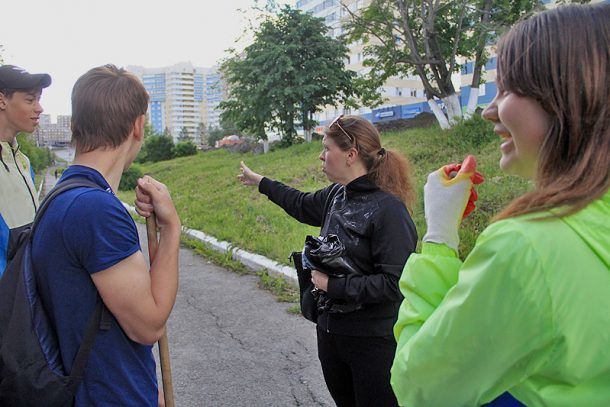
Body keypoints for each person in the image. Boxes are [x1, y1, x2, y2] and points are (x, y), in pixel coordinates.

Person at [390, 3, 610, 406]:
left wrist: (439, 235)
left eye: (507, 89)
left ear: (568, 95)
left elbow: (420, 387)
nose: (490, 110)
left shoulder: (528, 250)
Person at [239, 115, 418, 406]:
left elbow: (395, 284)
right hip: (331, 334)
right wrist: (261, 182)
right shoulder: (337, 195)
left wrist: (333, 285)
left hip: (373, 343)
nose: (321, 156)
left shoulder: (389, 211)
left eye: (326, 148)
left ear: (351, 154)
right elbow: (299, 203)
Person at [30, 65, 181, 406]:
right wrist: (172, 230)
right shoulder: (95, 211)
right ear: (138, 125)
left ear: (74, 125)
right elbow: (148, 326)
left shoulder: (64, 196)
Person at [0, 64, 51, 275]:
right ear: (2, 100)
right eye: (30, 100)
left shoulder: (23, 162)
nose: (39, 108)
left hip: (23, 287)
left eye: (38, 100)